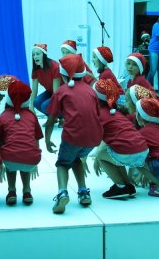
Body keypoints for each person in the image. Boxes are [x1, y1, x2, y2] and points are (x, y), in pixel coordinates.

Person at [45, 54, 103, 214]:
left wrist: (47, 139)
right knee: (76, 158)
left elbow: (51, 120)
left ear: (63, 74)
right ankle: (83, 192)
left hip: (74, 136)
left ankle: (62, 192)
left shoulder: (62, 91)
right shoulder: (91, 91)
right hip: (94, 138)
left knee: (63, 163)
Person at [92, 79, 148, 199]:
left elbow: (93, 138)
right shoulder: (117, 113)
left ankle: (120, 186)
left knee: (101, 154)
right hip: (143, 151)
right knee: (114, 150)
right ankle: (128, 185)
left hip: (129, 153)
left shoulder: (98, 114)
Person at [0, 79, 42, 206]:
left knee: (13, 156)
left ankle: (11, 191)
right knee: (24, 154)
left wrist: (1, 162)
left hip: (10, 160)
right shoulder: (32, 116)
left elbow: (0, 142)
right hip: (31, 158)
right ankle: (27, 191)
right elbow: (35, 139)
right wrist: (35, 160)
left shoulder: (3, 117)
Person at [30, 44, 61, 116]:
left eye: (37, 54)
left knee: (45, 106)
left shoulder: (55, 67)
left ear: (44, 54)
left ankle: (61, 117)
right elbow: (34, 90)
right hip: (50, 92)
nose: (35, 56)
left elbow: (56, 93)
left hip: (60, 93)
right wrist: (31, 107)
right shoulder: (35, 69)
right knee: (36, 102)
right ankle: (54, 117)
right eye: (33, 55)